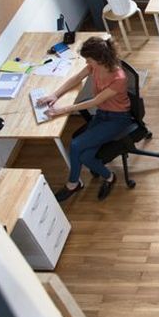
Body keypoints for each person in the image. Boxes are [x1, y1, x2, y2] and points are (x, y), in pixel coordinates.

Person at [37, 37, 131, 202]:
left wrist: (61, 110)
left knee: (75, 144)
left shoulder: (119, 78)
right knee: (85, 157)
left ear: (100, 59)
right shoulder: (94, 67)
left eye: (89, 59)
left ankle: (72, 184)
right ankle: (109, 177)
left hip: (117, 119)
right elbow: (75, 79)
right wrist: (54, 94)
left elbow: (95, 101)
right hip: (102, 115)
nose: (87, 62)